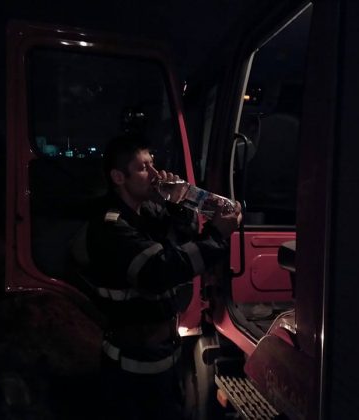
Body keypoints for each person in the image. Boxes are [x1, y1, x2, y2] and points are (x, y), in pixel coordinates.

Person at [70, 134, 241, 419]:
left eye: (153, 164)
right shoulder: (110, 226)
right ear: (118, 177)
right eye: (142, 168)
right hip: (131, 368)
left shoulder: (147, 212)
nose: (154, 173)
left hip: (161, 356)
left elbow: (185, 235)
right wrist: (217, 236)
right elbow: (158, 271)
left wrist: (176, 201)